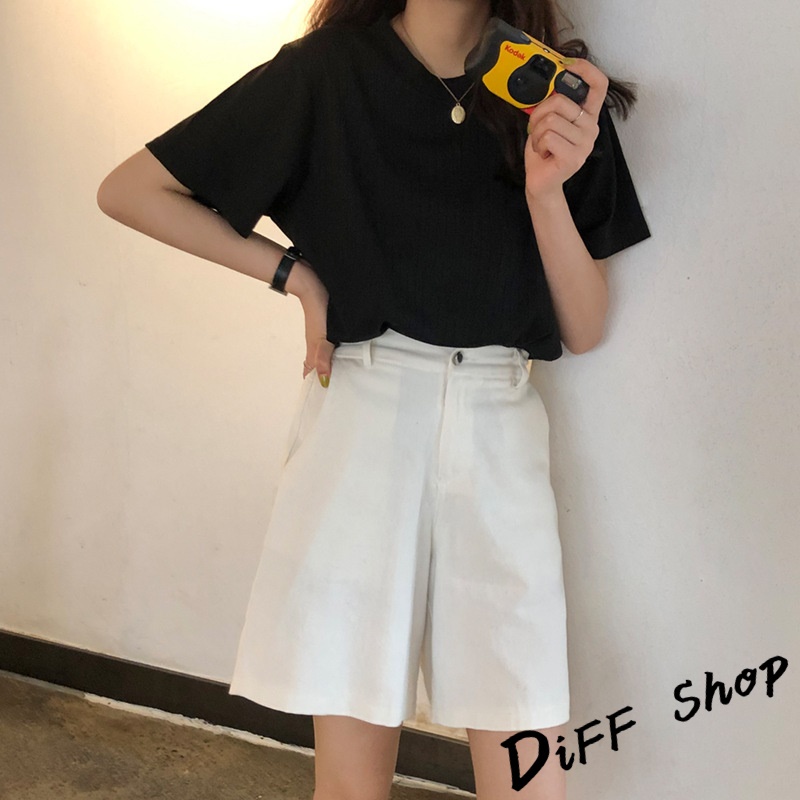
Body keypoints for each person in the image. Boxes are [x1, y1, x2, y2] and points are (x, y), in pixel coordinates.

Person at [96, 0, 651, 797]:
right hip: (364, 423)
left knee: (527, 754)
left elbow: (586, 327)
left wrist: (546, 192)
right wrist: (294, 276)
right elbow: (131, 189)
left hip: (498, 426)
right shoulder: (327, 73)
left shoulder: (551, 88)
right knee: (352, 781)